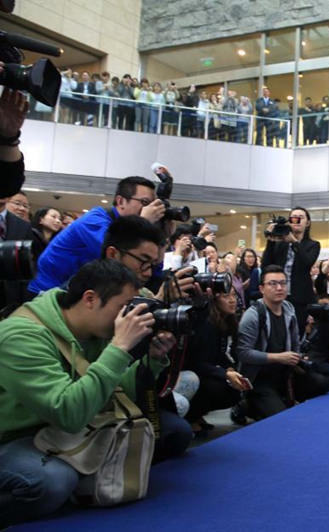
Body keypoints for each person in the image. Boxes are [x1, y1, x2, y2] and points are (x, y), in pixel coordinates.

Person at [0, 260, 177, 526]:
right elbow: (68, 413)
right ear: (90, 299)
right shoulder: (20, 336)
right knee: (54, 481)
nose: (126, 318)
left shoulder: (94, 329)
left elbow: (111, 393)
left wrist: (150, 360)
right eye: (122, 308)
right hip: (15, 437)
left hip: (63, 431)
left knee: (171, 431)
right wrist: (118, 349)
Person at [29, 176, 166, 294]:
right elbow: (120, 258)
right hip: (46, 291)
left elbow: (151, 269)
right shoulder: (94, 220)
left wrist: (161, 234)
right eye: (145, 203)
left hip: (75, 289)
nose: (150, 209)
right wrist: (143, 222)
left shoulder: (123, 227)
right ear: (121, 201)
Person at [235, 265, 317, 420]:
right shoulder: (252, 315)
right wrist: (278, 357)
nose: (279, 288)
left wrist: (297, 358)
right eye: (273, 284)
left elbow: (295, 345)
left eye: (283, 283)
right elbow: (242, 352)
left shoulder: (288, 309)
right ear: (261, 288)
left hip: (284, 374)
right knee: (280, 419)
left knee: (321, 385)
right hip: (259, 379)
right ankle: (245, 405)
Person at [185, 286, 248, 436]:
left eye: (234, 295)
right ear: (214, 300)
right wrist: (225, 374)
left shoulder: (226, 321)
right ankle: (190, 416)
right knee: (221, 389)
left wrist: (230, 369)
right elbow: (198, 363)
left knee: (234, 388)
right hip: (192, 373)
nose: (232, 300)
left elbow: (220, 354)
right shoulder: (206, 323)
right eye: (226, 296)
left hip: (206, 370)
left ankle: (195, 415)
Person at [261, 207, 321, 332]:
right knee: (275, 331)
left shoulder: (313, 245)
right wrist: (271, 241)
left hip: (299, 298)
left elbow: (307, 262)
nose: (297, 220)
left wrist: (294, 242)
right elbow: (266, 266)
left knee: (296, 333)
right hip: (277, 296)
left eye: (301, 217)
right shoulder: (279, 244)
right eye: (294, 218)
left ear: (308, 223)